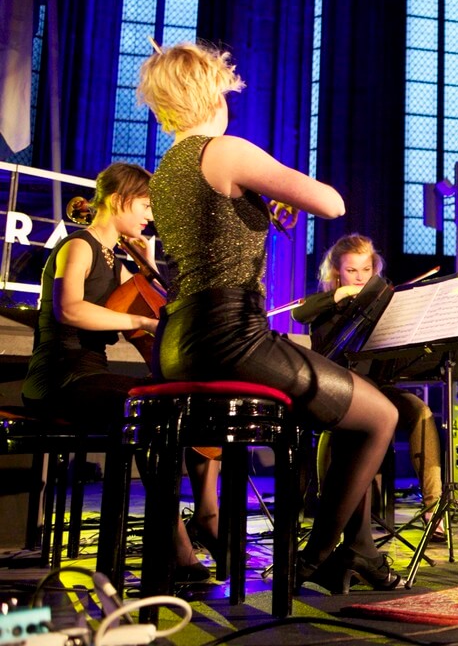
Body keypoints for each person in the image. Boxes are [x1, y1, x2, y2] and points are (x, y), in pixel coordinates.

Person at [137, 41, 400, 594]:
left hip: (177, 338)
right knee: (379, 415)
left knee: (340, 408)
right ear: (213, 92)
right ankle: (315, 557)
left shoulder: (163, 172)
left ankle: (358, 550)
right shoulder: (225, 150)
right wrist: (273, 182)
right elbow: (331, 204)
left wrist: (258, 199)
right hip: (232, 334)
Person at [21, 162, 218, 581]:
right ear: (117, 199)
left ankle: (205, 514)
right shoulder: (79, 246)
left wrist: (150, 264)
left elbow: (166, 307)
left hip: (90, 374)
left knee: (180, 403)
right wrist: (138, 323)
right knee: (151, 408)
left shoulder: (117, 259)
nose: (150, 215)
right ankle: (176, 545)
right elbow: (69, 309)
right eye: (146, 205)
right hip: (61, 377)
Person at [291, 234, 444, 541]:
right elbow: (299, 313)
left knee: (420, 411)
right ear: (337, 273)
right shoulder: (324, 305)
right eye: (351, 271)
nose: (360, 278)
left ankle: (434, 508)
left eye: (365, 270)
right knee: (340, 429)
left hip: (376, 388)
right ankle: (330, 515)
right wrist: (343, 294)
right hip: (335, 390)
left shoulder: (382, 304)